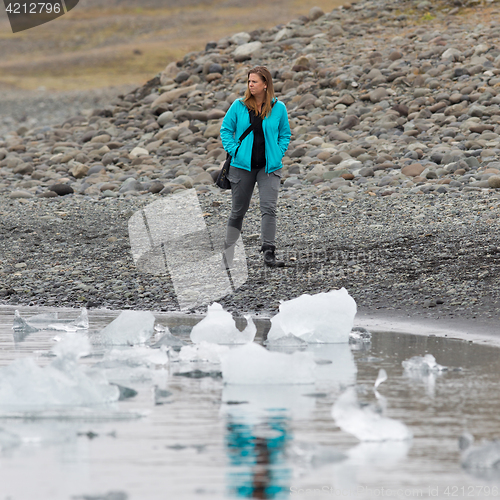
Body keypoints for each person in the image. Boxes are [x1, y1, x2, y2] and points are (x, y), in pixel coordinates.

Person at [220, 66, 291, 268]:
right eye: (249, 81)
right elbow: (226, 130)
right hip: (242, 166)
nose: (251, 85)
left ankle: (269, 252)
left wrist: (278, 151)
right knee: (238, 211)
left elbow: (285, 134)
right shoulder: (238, 105)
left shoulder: (279, 108)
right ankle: (228, 254)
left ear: (265, 84)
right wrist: (235, 150)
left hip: (269, 167)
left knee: (269, 208)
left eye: (255, 81)